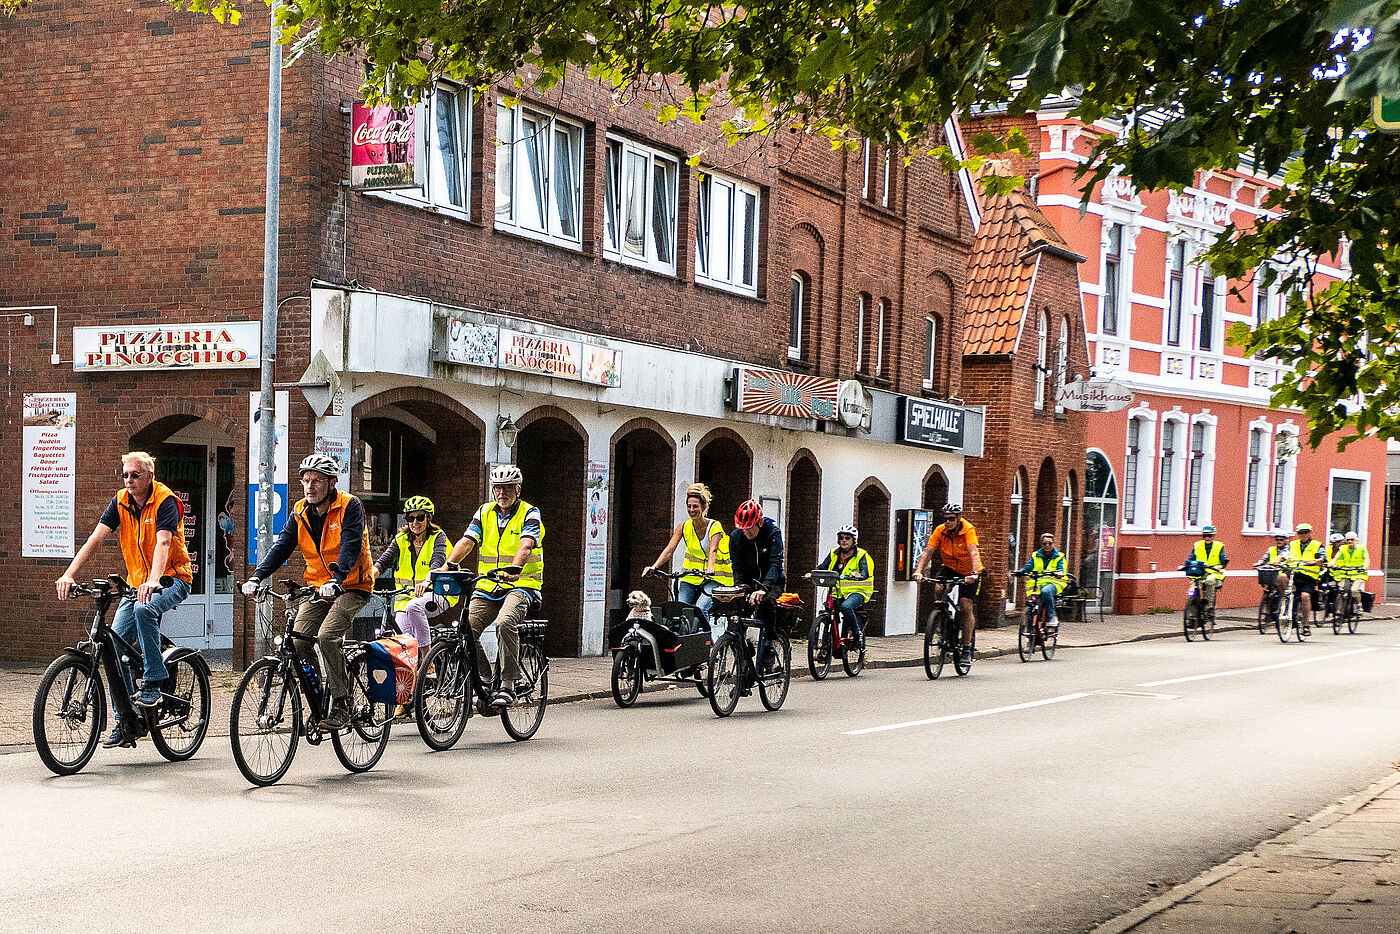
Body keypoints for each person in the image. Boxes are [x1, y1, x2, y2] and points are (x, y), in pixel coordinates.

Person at [56, 452, 194, 748]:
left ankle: (154, 679)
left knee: (145, 611)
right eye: (125, 475)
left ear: (150, 476)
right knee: (117, 647)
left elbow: (164, 541)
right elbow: (96, 538)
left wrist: (154, 580)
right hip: (136, 583)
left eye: (135, 475)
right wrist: (69, 574)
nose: (129, 480)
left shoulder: (165, 500)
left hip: (173, 579)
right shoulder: (121, 501)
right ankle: (126, 720)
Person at [243, 454, 375, 730]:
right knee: (299, 641)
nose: (310, 486)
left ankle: (342, 704)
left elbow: (350, 546)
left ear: (331, 483)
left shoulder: (350, 506)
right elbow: (282, 546)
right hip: (318, 587)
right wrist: (257, 576)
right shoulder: (300, 510)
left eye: (316, 481)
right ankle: (316, 697)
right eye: (305, 481)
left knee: (327, 637)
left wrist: (338, 579)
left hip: (351, 585)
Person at [443, 464, 543, 706]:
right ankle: (486, 677)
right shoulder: (484, 512)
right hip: (488, 585)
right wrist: (447, 566)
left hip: (522, 585)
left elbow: (526, 544)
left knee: (505, 622)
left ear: (518, 490)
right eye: (497, 488)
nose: (502, 493)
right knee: (465, 629)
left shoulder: (530, 513)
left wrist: (515, 568)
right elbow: (467, 541)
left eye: (507, 488)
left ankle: (509, 683)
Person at [371, 494, 457, 666]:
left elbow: (438, 561)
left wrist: (427, 581)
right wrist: (369, 578)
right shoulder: (401, 539)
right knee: (404, 642)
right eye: (411, 517)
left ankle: (428, 661)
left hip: (440, 592)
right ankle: (415, 685)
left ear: (428, 518)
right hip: (406, 597)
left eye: (420, 517)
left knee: (414, 607)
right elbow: (384, 561)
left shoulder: (438, 537)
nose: (415, 522)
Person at [643, 482, 733, 618]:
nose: (691, 510)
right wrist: (654, 567)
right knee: (679, 609)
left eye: (695, 506)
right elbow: (669, 549)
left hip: (715, 578)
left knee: (701, 608)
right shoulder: (683, 527)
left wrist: (710, 568)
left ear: (703, 507)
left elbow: (713, 549)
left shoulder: (714, 526)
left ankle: (706, 639)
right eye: (689, 506)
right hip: (690, 577)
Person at [912, 504, 984, 661]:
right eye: (945, 519)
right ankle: (943, 616)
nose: (948, 522)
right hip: (950, 567)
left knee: (965, 605)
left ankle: (966, 648)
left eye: (951, 519)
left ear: (959, 518)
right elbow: (927, 552)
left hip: (969, 571)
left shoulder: (968, 530)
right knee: (939, 587)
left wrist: (973, 573)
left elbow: (973, 552)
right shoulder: (940, 531)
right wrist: (918, 571)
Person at [728, 499, 786, 668]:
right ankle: (744, 657)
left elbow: (775, 563)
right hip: (748, 582)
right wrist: (740, 585)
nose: (746, 532)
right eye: (743, 528)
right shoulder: (736, 537)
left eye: (750, 528)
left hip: (771, 581)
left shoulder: (773, 533)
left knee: (766, 603)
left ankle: (769, 644)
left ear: (760, 522)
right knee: (736, 612)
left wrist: (764, 588)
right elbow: (737, 565)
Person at [806, 525, 873, 637]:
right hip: (837, 591)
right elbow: (823, 566)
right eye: (841, 538)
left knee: (846, 607)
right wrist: (812, 574)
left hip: (858, 591)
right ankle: (831, 642)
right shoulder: (834, 553)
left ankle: (857, 633)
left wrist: (859, 575)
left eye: (847, 538)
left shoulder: (861, 555)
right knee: (830, 608)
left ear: (854, 541)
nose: (844, 540)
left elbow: (865, 572)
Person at [1016, 532, 1067, 629]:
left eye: (1050, 543)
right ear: (1041, 544)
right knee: (1033, 608)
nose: (1047, 545)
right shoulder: (1035, 555)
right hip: (1038, 584)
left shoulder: (1059, 557)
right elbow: (1028, 567)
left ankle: (1052, 617)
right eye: (1044, 543)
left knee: (1046, 591)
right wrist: (1020, 572)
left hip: (1054, 583)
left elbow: (1062, 569)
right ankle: (1031, 636)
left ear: (1053, 544)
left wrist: (1059, 573)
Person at [1287, 522, 1327, 636]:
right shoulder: (1293, 544)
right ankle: (1283, 608)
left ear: (1310, 533)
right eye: (1300, 533)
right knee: (1281, 578)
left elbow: (1323, 557)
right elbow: (1285, 554)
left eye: (1305, 532)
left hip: (1308, 577)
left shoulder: (1317, 545)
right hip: (1294, 575)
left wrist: (1315, 561)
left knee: (1305, 596)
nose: (1303, 535)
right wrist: (1278, 560)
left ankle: (1305, 624)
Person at [1182, 525, 1228, 617]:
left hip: (1213, 573)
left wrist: (1220, 566)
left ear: (1213, 536)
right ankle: (1191, 609)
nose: (1207, 538)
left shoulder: (1219, 546)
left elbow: (1224, 560)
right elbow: (1191, 557)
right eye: (1205, 535)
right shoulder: (1197, 545)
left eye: (1209, 536)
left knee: (1209, 581)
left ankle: (1210, 607)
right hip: (1199, 572)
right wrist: (1184, 564)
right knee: (1192, 588)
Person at [1253, 530, 1292, 602]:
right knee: (1266, 584)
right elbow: (1264, 558)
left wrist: (1279, 562)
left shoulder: (1289, 550)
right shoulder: (1271, 549)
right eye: (1277, 539)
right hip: (1272, 574)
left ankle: (1285, 600)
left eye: (1281, 540)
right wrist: (1258, 563)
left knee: (1282, 584)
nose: (1279, 541)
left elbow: (1285, 557)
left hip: (1285, 573)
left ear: (1286, 540)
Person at [1335, 531, 1369, 603]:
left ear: (1356, 540)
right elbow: (1336, 558)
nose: (1350, 541)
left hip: (1358, 573)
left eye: (1352, 539)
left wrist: (1365, 566)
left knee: (1354, 590)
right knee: (1341, 589)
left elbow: (1366, 558)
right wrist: (1331, 564)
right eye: (1348, 540)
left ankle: (1359, 604)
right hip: (1346, 574)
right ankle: (1340, 609)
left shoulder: (1361, 548)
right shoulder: (1342, 548)